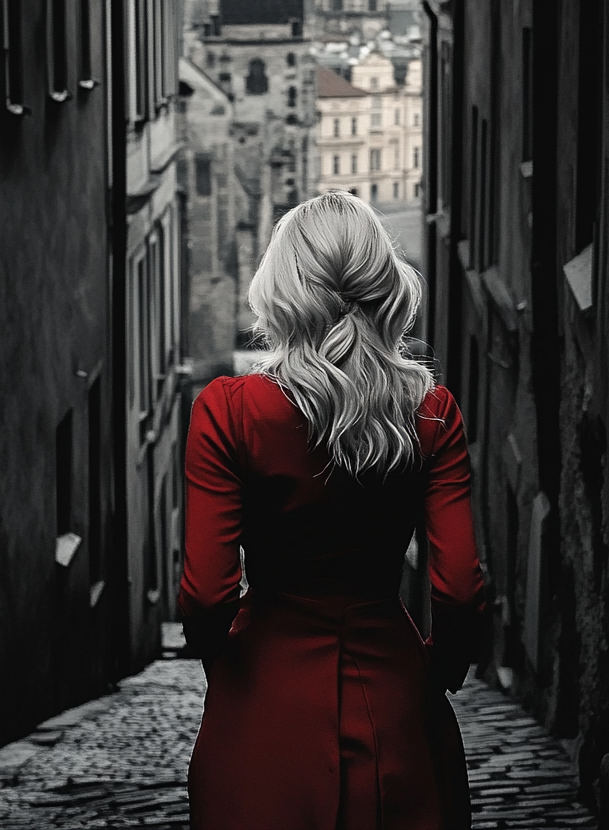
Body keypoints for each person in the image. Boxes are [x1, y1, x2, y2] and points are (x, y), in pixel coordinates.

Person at [178, 190, 486, 830]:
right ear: (383, 287)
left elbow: (208, 594)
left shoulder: (229, 411)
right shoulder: (433, 414)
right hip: (398, 713)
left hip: (261, 719)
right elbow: (457, 588)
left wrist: (234, 676)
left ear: (283, 287)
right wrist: (437, 673)